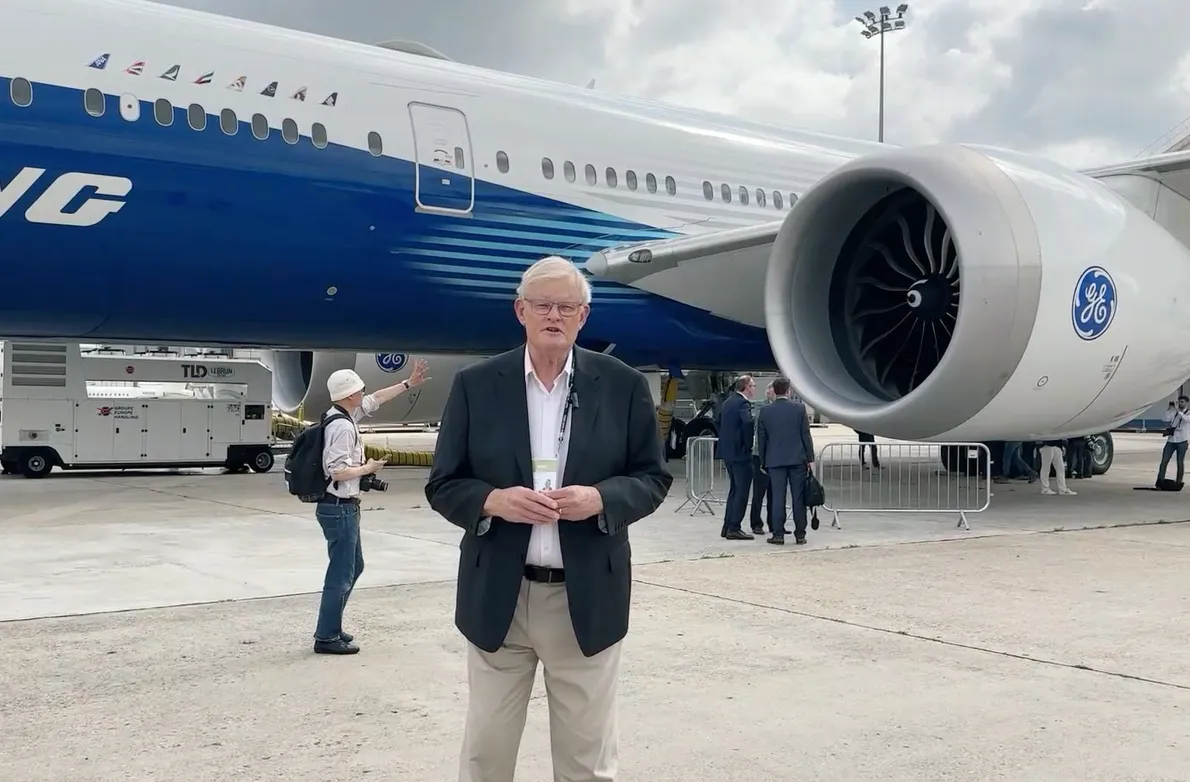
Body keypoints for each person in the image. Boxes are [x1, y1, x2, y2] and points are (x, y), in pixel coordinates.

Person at [425, 255, 673, 782]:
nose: (554, 315)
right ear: (521, 310)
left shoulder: (623, 385)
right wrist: (493, 501)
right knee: (486, 754)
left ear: (584, 315)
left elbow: (653, 479)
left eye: (567, 306)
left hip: (584, 596)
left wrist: (600, 498)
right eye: (542, 305)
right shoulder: (476, 384)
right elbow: (444, 484)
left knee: (586, 759)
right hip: (500, 593)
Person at [313, 360, 429, 655]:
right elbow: (337, 471)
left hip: (343, 507)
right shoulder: (341, 427)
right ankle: (326, 636)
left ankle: (333, 627)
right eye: (359, 389)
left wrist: (407, 384)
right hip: (339, 507)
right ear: (349, 394)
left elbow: (377, 398)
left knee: (354, 567)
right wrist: (367, 468)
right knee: (341, 573)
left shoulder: (341, 414)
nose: (363, 392)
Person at [756, 377, 816, 545]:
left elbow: (762, 439)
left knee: (777, 498)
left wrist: (762, 460)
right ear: (788, 391)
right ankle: (800, 534)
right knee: (798, 498)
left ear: (774, 391)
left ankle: (778, 534)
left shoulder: (765, 411)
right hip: (797, 459)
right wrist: (810, 458)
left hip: (775, 461)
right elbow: (805, 435)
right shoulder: (799, 409)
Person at [716, 374, 756, 540]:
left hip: (728, 452)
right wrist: (748, 444)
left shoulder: (728, 402)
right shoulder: (742, 403)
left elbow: (717, 421)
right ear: (746, 387)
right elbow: (747, 423)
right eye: (753, 385)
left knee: (734, 489)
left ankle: (727, 525)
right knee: (742, 491)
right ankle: (734, 526)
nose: (754, 388)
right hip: (740, 454)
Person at [749, 381, 775, 536]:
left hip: (775, 456)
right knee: (759, 492)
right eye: (771, 390)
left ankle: (774, 523)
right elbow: (759, 432)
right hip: (760, 455)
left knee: (775, 492)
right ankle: (756, 523)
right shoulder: (761, 407)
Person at [1157, 395, 1190, 485]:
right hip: (1171, 440)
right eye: (1179, 402)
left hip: (1182, 441)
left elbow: (1186, 419)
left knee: (1180, 462)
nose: (1180, 404)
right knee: (1164, 461)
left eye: (1182, 402)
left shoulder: (1188, 413)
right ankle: (1160, 481)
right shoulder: (1174, 412)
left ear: (1186, 403)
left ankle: (1179, 482)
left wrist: (1178, 411)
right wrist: (1169, 409)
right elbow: (1165, 419)